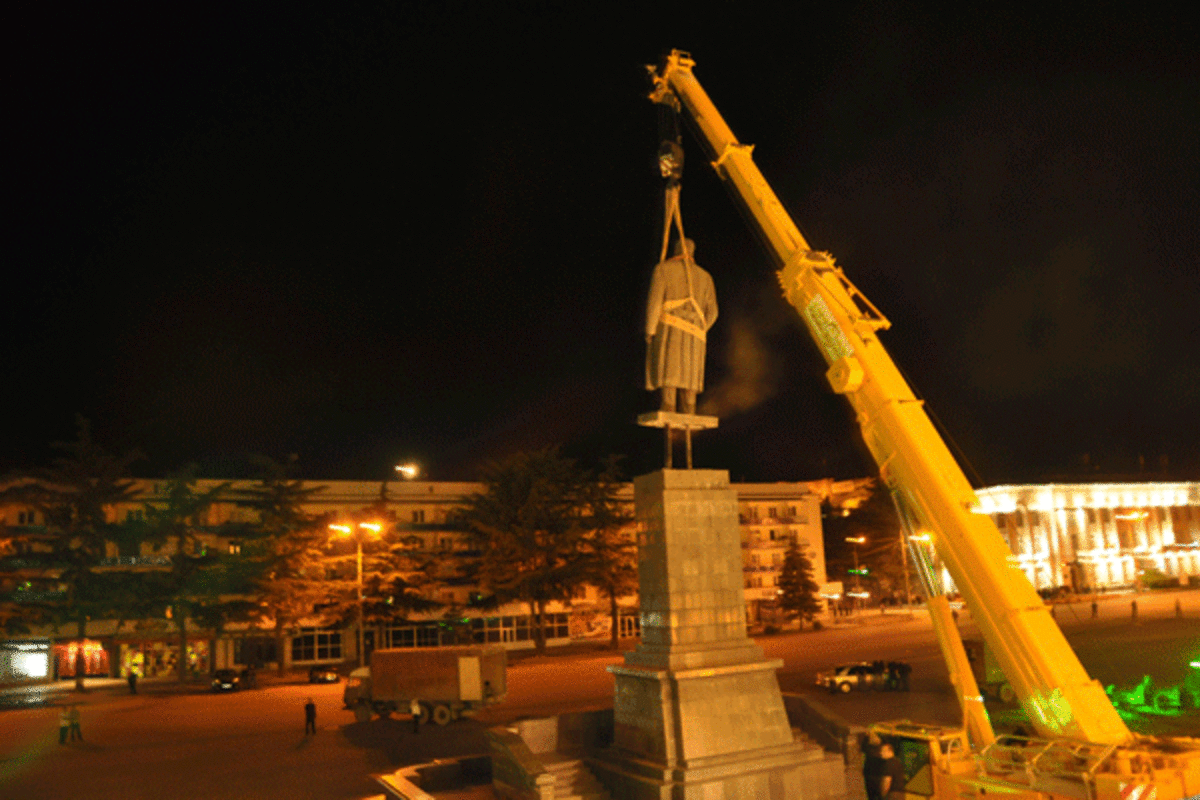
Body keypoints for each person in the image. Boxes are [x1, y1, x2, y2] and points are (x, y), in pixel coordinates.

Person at [645, 238, 718, 414]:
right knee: (690, 373)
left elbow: (654, 303)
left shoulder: (663, 269)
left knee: (669, 369)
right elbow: (714, 312)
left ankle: (668, 406)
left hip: (670, 328)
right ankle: (690, 408)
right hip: (696, 336)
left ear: (675, 250)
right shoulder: (706, 277)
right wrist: (700, 329)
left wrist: (651, 330)